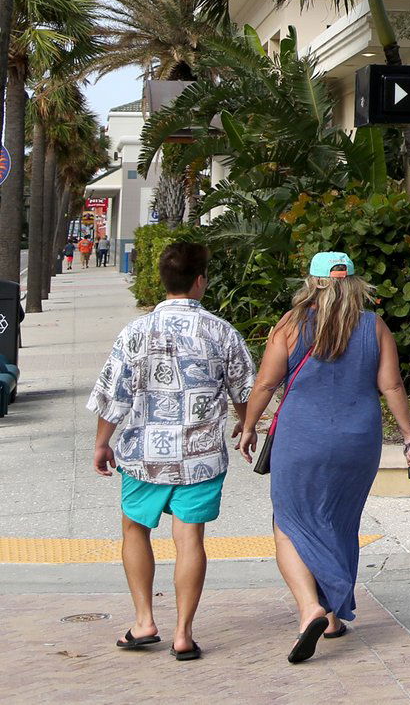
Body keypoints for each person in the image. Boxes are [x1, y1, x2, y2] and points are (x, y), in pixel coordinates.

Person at [239, 251, 410, 665]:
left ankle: (310, 610)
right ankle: (335, 616)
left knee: (288, 523)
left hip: (303, 440)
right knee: (338, 520)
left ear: (313, 282)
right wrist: (409, 436)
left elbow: (267, 383)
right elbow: (392, 386)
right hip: (359, 442)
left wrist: (250, 425)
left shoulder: (289, 325)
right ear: (354, 284)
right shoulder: (374, 327)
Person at [87, 241, 255, 662]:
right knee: (190, 539)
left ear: (164, 280)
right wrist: (246, 426)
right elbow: (246, 391)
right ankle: (183, 633)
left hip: (144, 455)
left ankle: (144, 621)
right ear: (200, 281)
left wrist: (102, 442)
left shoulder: (134, 333)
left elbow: (114, 395)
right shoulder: (221, 331)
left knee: (134, 530)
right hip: (200, 455)